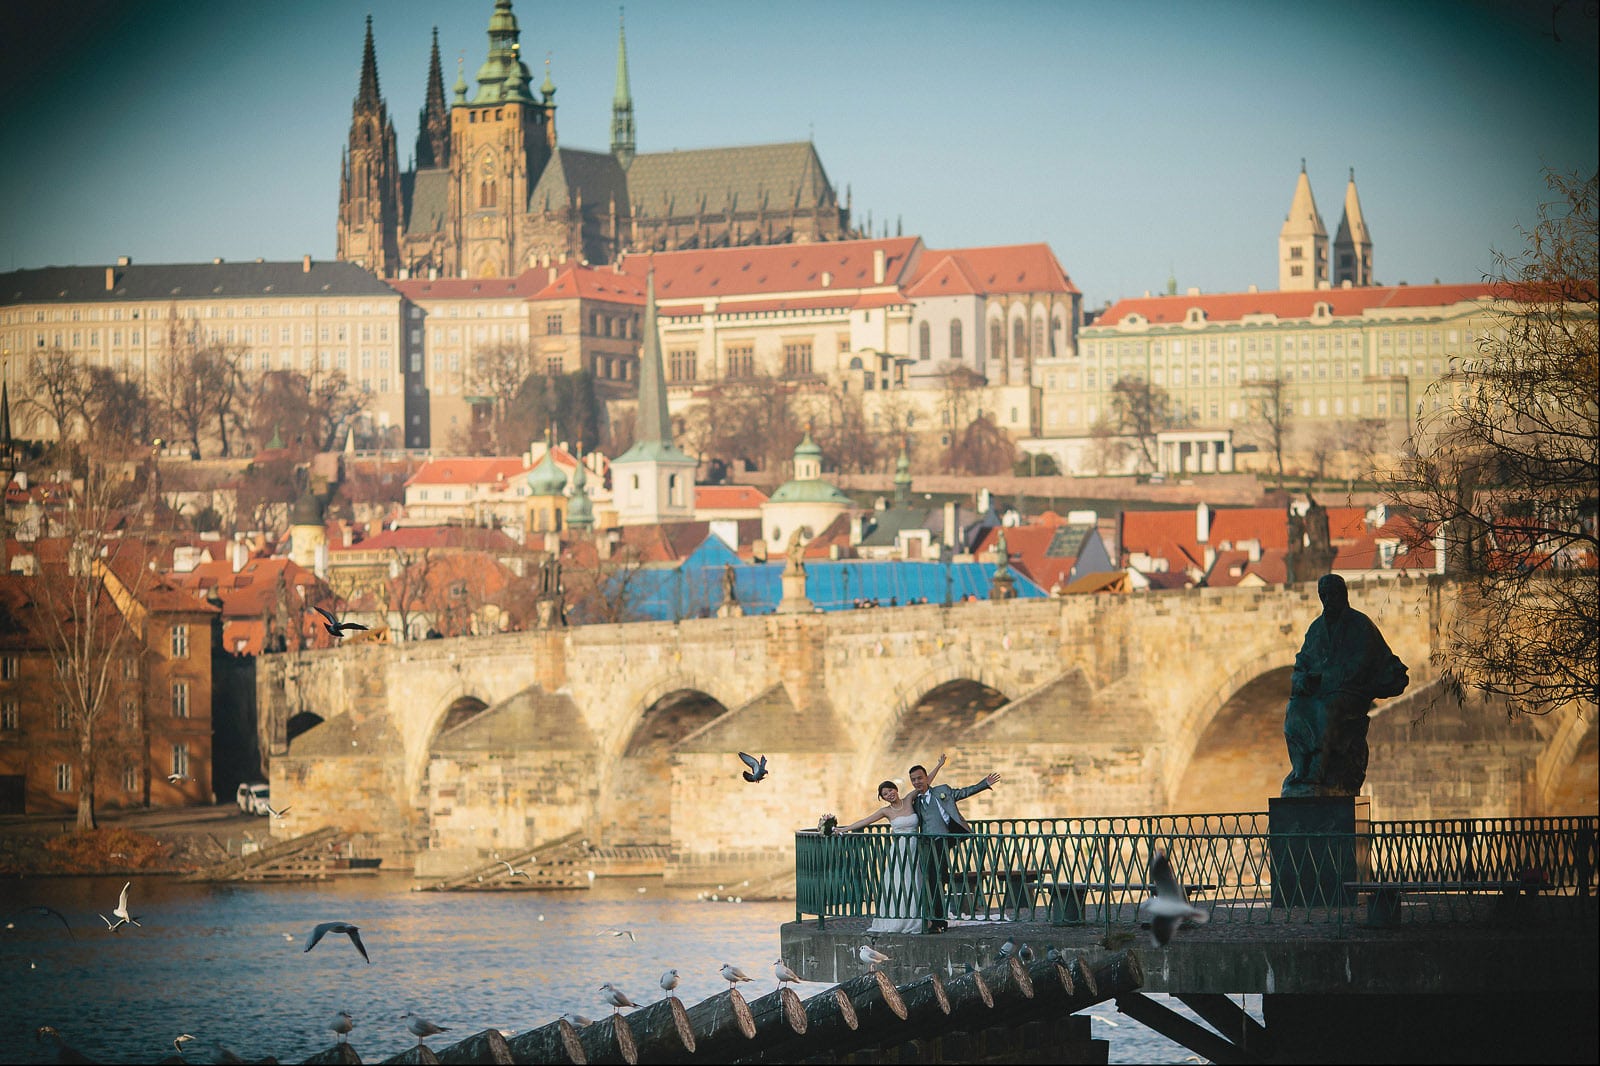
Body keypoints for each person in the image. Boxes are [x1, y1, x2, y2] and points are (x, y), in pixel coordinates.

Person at [1281, 573, 1409, 797]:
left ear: (1343, 596)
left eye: (1332, 595)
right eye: (1324, 596)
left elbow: (1364, 661)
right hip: (1322, 691)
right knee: (1295, 711)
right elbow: (1303, 660)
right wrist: (1300, 678)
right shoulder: (1317, 628)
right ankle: (1301, 768)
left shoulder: (1359, 625)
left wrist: (1336, 675)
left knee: (1327, 710)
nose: (1328, 601)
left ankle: (1318, 769)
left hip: (1350, 692)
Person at [911, 756, 1001, 933]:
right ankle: (934, 919)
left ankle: (938, 921)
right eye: (913, 780)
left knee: (937, 880)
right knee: (930, 881)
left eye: (920, 778)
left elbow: (964, 792)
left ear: (926, 778)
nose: (917, 782)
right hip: (928, 844)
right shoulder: (916, 802)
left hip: (943, 841)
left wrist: (984, 783)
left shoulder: (942, 791)